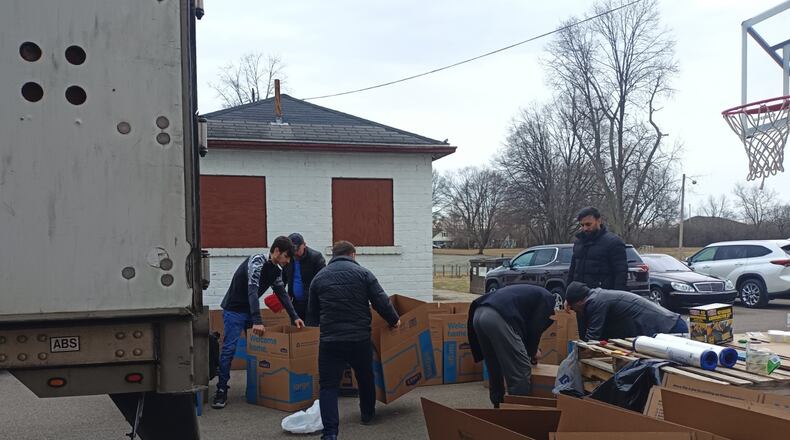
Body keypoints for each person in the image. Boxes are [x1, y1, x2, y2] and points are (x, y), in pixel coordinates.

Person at [307, 240, 401, 440]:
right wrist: (394, 320)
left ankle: (331, 432)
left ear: (334, 255)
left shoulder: (319, 278)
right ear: (352, 255)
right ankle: (367, 414)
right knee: (365, 377)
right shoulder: (364, 274)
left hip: (330, 341)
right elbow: (381, 302)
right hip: (359, 339)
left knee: (328, 386)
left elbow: (312, 317)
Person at [212, 236, 305, 409]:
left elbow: (282, 294)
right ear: (277, 251)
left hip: (249, 311)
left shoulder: (275, 270)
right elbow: (252, 291)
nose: (287, 261)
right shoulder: (257, 261)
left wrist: (295, 317)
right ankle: (221, 390)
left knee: (257, 351)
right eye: (286, 256)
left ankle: (255, 389)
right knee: (229, 350)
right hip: (234, 310)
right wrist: (257, 320)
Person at [467, 284, 556, 408]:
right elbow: (534, 331)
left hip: (478, 314)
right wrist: (533, 351)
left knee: (495, 365)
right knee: (521, 369)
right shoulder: (547, 299)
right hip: (496, 317)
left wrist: (529, 350)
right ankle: (517, 411)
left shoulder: (530, 295)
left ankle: (498, 406)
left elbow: (520, 335)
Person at [565, 282, 688, 342]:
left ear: (580, 302)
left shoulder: (596, 302)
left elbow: (592, 338)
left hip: (670, 328)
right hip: (667, 325)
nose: (576, 312)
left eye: (574, 308)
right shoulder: (597, 296)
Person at [567, 207, 628, 291]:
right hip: (580, 297)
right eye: (582, 225)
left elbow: (621, 274)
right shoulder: (579, 242)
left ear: (599, 221)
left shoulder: (613, 242)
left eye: (588, 224)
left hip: (603, 297)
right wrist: (568, 294)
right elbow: (572, 271)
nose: (585, 228)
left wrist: (616, 299)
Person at [284, 232, 326, 321]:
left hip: (311, 303)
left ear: (304, 245)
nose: (295, 253)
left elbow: (323, 280)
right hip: (295, 302)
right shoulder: (288, 257)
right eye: (292, 250)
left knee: (310, 330)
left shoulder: (316, 257)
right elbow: (283, 276)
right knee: (295, 330)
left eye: (297, 249)